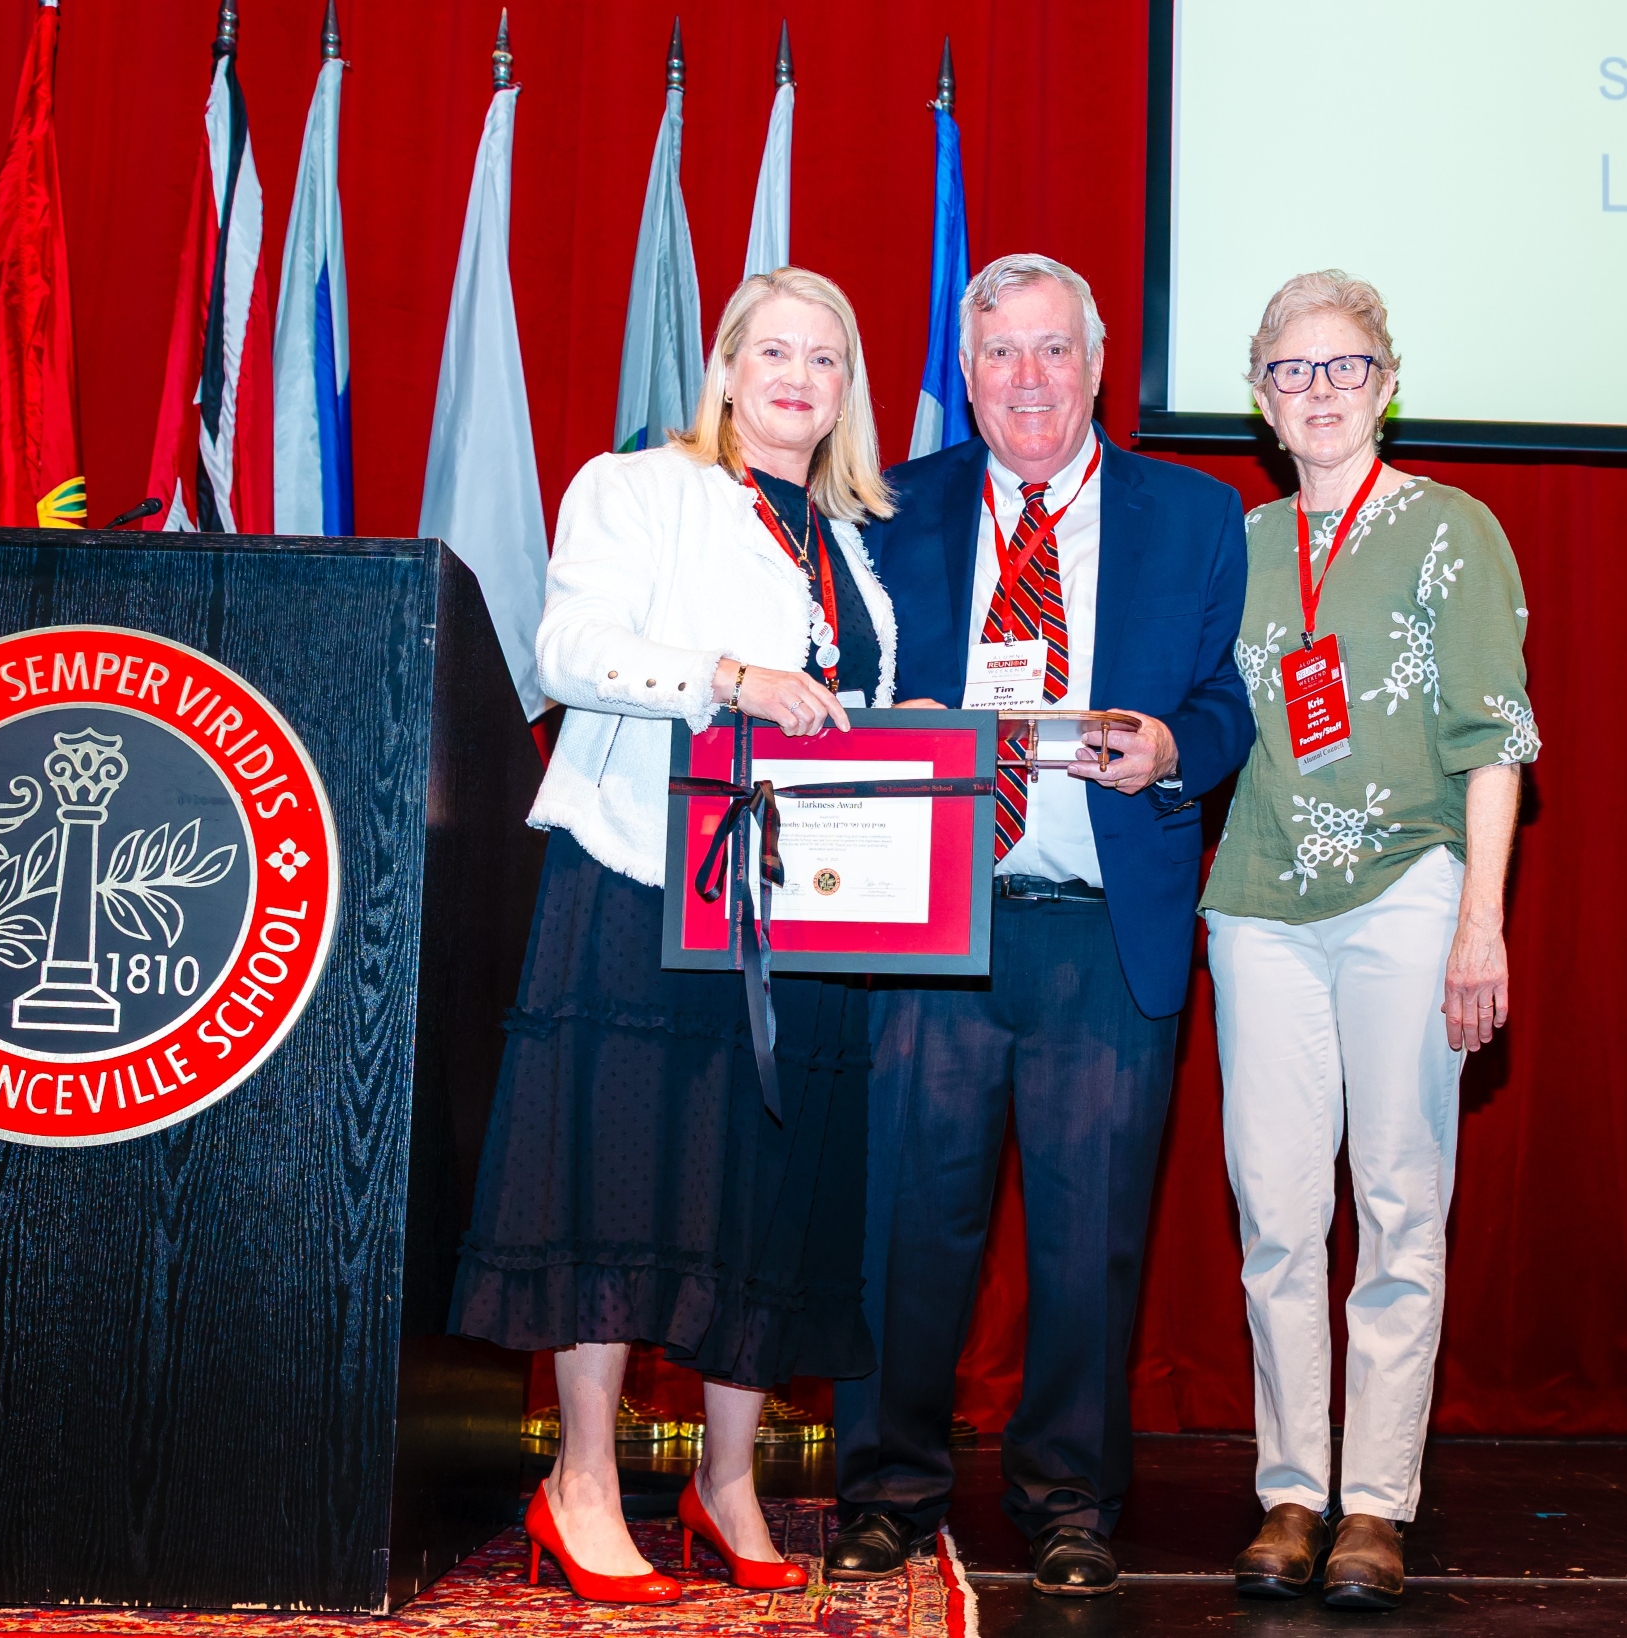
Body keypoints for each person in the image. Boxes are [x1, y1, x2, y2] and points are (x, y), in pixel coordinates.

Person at [451, 268, 907, 1604]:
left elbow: (847, 705)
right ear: (725, 370)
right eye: (775, 351)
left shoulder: (852, 537)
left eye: (826, 358)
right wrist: (725, 679)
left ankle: (728, 1483)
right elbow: (567, 649)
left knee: (760, 1194)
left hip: (805, 904)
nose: (799, 377)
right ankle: (583, 1486)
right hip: (642, 884)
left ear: (848, 390)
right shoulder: (638, 486)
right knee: (615, 1187)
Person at [826, 253, 1254, 1596]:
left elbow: (1232, 700)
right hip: (931, 922)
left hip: (1102, 925)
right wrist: (875, 727)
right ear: (967, 373)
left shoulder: (1196, 515)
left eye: (1053, 349)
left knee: (1091, 1239)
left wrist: (1174, 744)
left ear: (1099, 365)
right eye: (1000, 352)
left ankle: (1071, 1499)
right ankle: (886, 1488)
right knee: (904, 1229)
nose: (1028, 378)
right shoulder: (891, 503)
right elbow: (837, 677)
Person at [1204, 271, 1537, 1611]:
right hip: (1258, 899)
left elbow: (1496, 740)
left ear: (1388, 384)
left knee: (1401, 1201)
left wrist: (1479, 924)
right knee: (1277, 1208)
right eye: (1293, 371)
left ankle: (1376, 1503)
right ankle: (1292, 1489)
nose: (1321, 391)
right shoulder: (1237, 542)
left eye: (1345, 366)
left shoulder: (1456, 527)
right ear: (1262, 399)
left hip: (1410, 889)